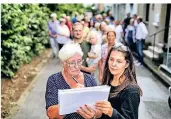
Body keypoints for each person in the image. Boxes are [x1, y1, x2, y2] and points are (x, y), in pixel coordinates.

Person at [45, 43, 101, 119]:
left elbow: (99, 110)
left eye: (79, 61)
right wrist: (72, 96)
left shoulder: (90, 79)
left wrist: (94, 114)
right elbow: (51, 114)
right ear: (62, 63)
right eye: (72, 63)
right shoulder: (54, 80)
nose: (77, 66)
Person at [95, 43, 142, 119]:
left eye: (119, 61)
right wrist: (96, 114)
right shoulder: (107, 81)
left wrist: (111, 112)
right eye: (111, 59)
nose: (113, 64)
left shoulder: (131, 90)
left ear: (126, 64)